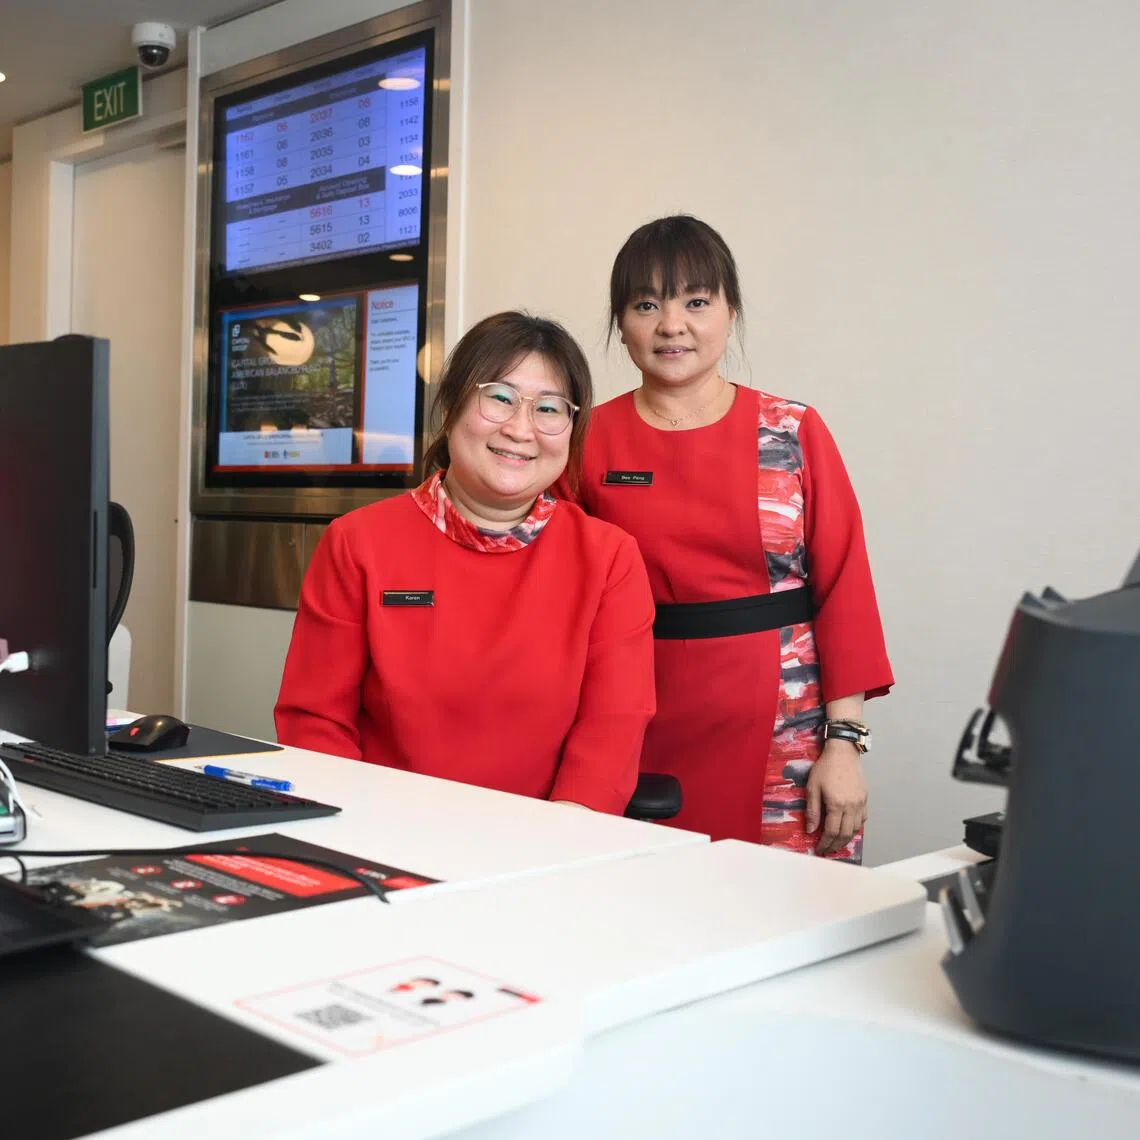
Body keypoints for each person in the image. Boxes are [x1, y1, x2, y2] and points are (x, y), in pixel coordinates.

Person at [560, 215, 893, 860]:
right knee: (647, 917)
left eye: (696, 302)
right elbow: (556, 595)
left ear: (730, 313)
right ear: (619, 322)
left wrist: (845, 743)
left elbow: (845, 588)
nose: (671, 325)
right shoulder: (584, 441)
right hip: (634, 724)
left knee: (794, 917)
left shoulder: (791, 430)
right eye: (646, 304)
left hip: (788, 735)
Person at [274, 311, 656, 815]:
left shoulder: (609, 558)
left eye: (549, 408)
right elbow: (316, 722)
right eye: (499, 398)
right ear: (452, 404)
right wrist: (358, 829)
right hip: (383, 833)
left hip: (545, 845)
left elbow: (614, 726)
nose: (521, 429)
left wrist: (564, 838)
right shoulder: (357, 543)